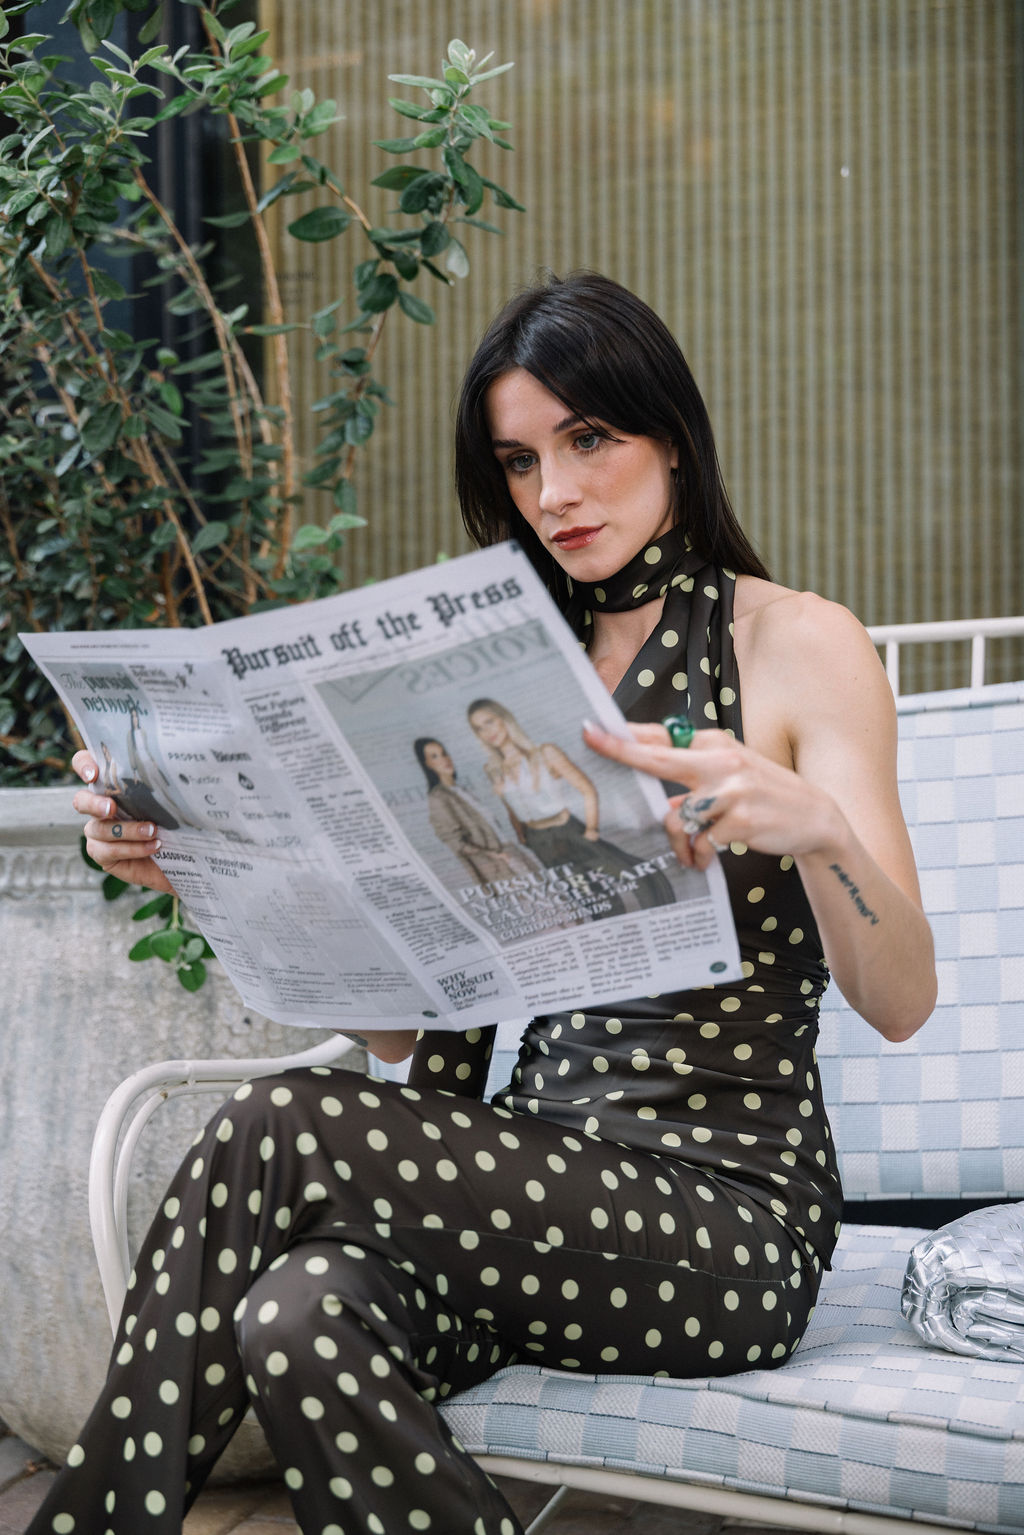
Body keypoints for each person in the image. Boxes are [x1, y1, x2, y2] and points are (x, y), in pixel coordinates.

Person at [31, 271, 936, 1535]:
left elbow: (900, 1000)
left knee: (281, 1119)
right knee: (294, 1313)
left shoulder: (793, 644)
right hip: (521, 1184)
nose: (553, 492)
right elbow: (408, 1032)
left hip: (723, 1220)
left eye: (588, 439)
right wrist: (205, 869)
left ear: (671, 435)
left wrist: (817, 827)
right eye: (519, 461)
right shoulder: (503, 665)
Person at [465, 696, 675, 913]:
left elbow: (587, 789)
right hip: (539, 841)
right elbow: (511, 807)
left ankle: (662, 911)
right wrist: (522, 836)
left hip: (567, 829)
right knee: (586, 896)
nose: (487, 732)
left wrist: (591, 829)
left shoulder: (545, 752)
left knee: (627, 872)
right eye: (479, 728)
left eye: (489, 722)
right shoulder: (493, 769)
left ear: (504, 719)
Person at [413, 735, 543, 887]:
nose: (444, 760)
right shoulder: (439, 797)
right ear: (427, 764)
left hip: (510, 851)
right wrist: (494, 855)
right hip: (496, 863)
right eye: (435, 756)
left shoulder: (461, 790)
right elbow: (455, 842)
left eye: (444, 753)